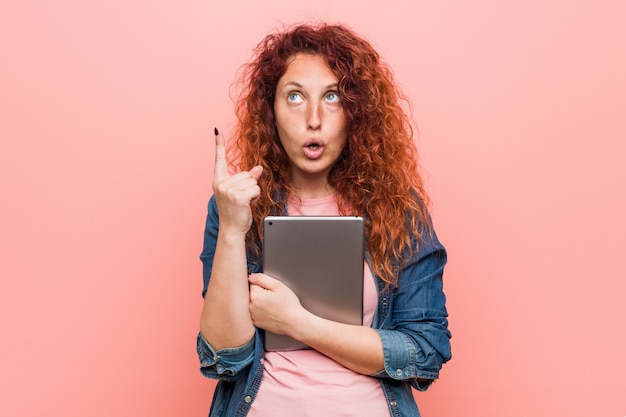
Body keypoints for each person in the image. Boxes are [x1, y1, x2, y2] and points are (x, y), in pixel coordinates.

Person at [197, 23, 451, 417]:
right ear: (272, 112)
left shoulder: (399, 210)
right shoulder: (235, 207)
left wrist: (298, 323)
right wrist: (231, 228)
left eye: (332, 96)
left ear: (355, 112)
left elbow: (426, 352)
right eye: (295, 96)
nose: (313, 118)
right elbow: (223, 358)